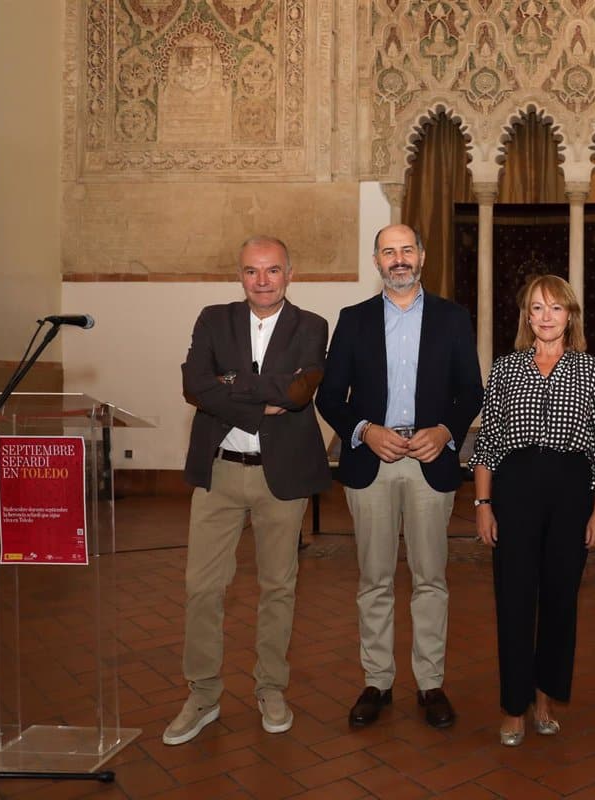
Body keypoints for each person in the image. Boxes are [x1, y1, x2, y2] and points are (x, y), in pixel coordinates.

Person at [164, 236, 332, 745]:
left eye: (272, 271)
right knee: (202, 588)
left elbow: (300, 393)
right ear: (240, 275)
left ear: (289, 273)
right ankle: (203, 694)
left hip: (281, 476)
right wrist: (261, 402)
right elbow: (195, 385)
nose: (262, 280)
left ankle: (271, 688)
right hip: (218, 474)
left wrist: (230, 385)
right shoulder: (214, 319)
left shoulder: (312, 326)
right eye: (252, 271)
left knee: (278, 587)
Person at [316, 224, 483, 729]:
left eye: (407, 249)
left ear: (422, 257)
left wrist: (446, 430)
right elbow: (328, 397)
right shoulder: (353, 321)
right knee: (375, 579)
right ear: (377, 262)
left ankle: (431, 684)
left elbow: (471, 392)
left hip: (430, 462)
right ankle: (378, 681)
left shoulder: (452, 319)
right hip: (374, 464)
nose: (399, 259)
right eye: (389, 251)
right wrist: (364, 431)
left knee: (431, 579)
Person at [469, 275, 595, 747]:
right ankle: (513, 706)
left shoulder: (593, 370)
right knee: (513, 598)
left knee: (560, 599)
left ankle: (545, 695)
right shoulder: (507, 369)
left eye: (556, 308)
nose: (546, 316)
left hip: (571, 492)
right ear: (527, 317)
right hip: (515, 490)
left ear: (570, 315)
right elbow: (488, 441)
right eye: (537, 308)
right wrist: (483, 504)